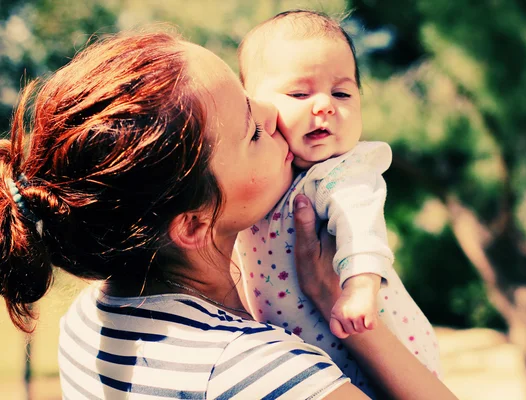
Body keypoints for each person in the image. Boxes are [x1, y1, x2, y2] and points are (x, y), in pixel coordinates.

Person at [0, 29, 458, 399]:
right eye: (251, 131)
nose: (272, 113)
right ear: (194, 223)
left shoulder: (88, 320)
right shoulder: (260, 372)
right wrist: (336, 305)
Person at [236, 9, 441, 386]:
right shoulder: (258, 178)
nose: (326, 105)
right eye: (300, 93)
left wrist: (359, 289)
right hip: (313, 357)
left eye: (342, 93)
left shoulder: (338, 173)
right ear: (252, 105)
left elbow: (362, 225)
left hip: (370, 343)